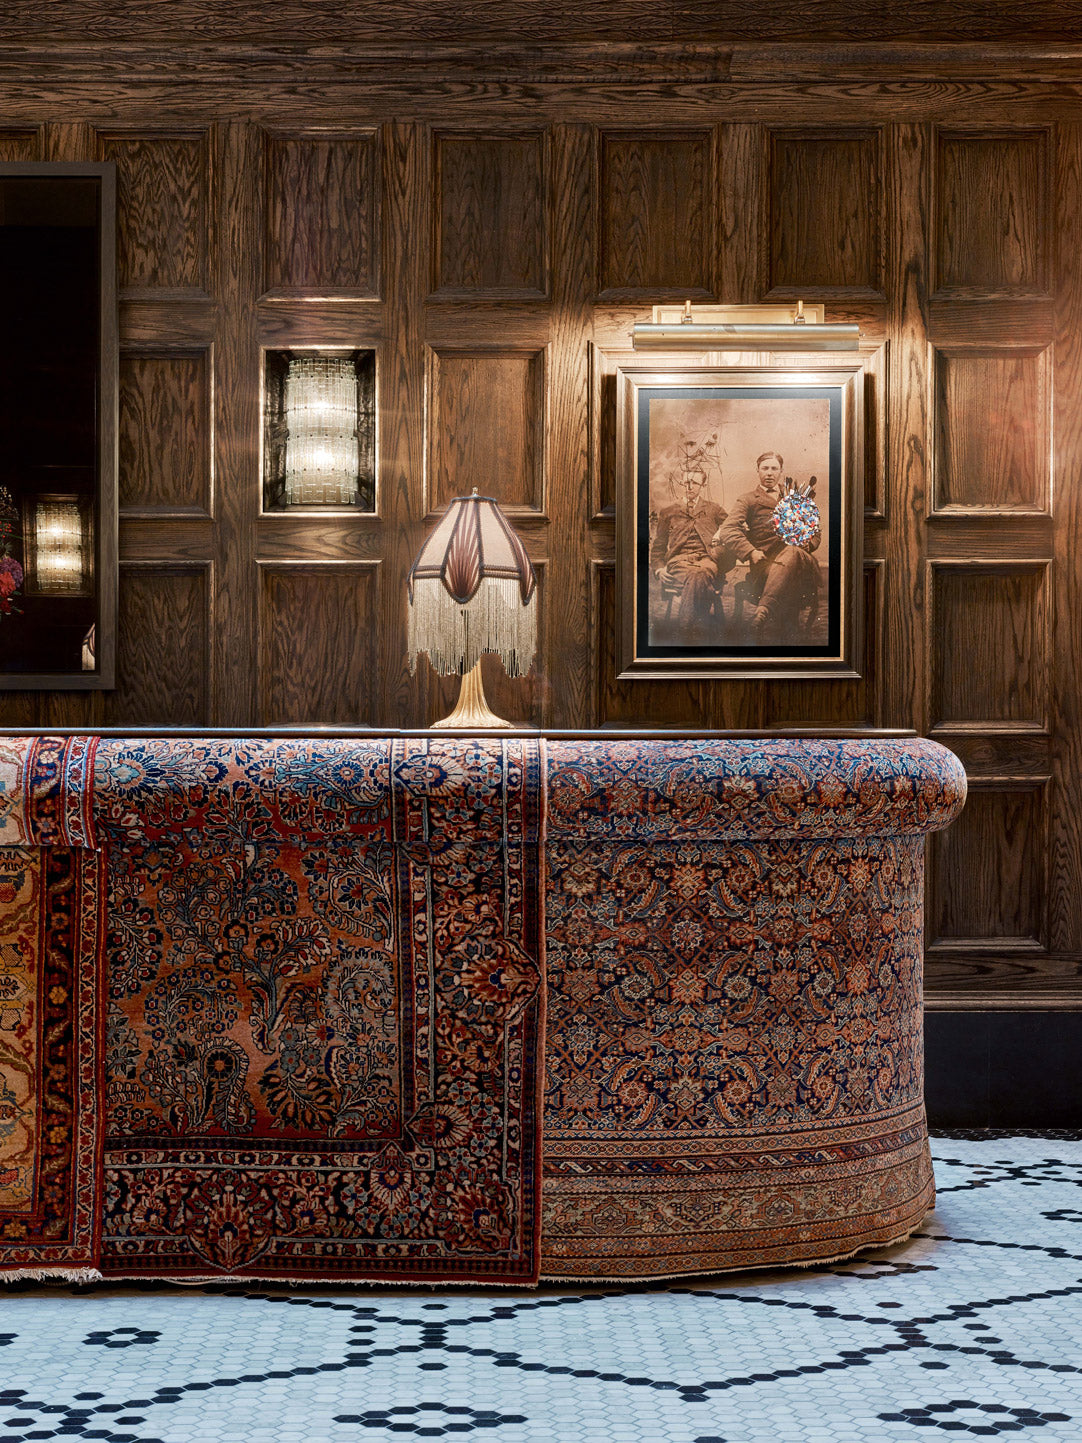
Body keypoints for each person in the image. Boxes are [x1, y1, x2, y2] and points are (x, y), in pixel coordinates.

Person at [716, 450, 821, 640]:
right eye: (765, 468)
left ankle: (762, 612)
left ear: (781, 471)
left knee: (793, 551)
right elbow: (728, 529)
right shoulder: (747, 499)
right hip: (765, 565)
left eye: (774, 468)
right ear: (757, 470)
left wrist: (808, 544)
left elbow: (815, 533)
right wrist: (750, 552)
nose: (769, 473)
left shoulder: (794, 495)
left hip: (802, 564)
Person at [649, 464, 728, 629]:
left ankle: (686, 627)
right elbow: (658, 547)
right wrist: (659, 569)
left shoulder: (714, 509)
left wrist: (720, 533)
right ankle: (699, 626)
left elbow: (733, 526)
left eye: (694, 483)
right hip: (679, 562)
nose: (689, 486)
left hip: (707, 559)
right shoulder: (668, 512)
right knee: (699, 576)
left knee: (699, 573)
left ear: (703, 485)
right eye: (686, 482)